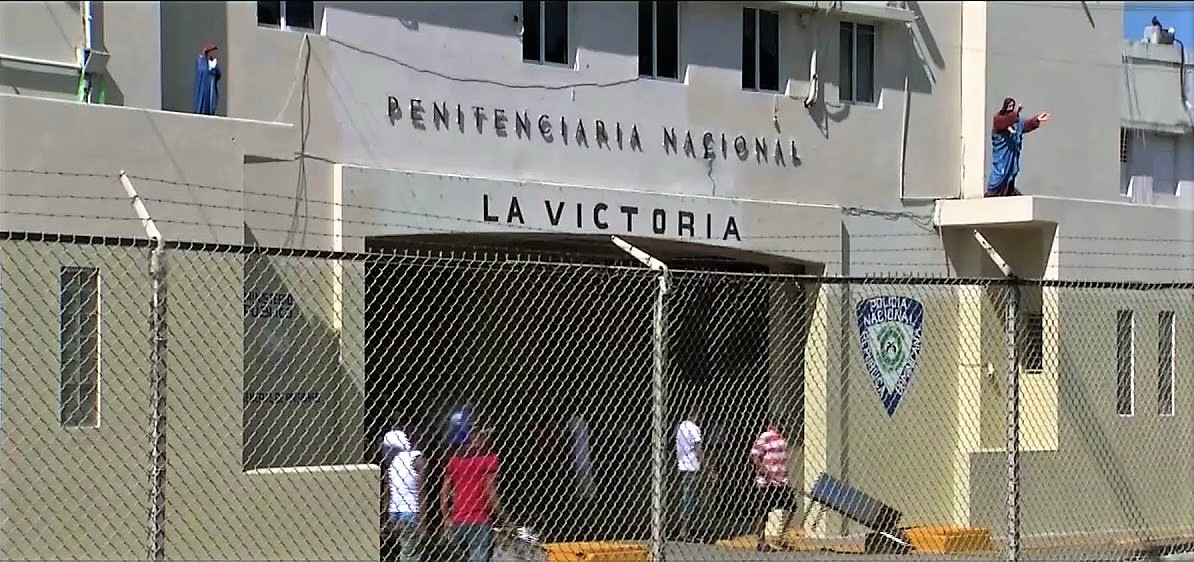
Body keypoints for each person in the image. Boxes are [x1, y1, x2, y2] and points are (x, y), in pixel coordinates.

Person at [441, 428, 501, 562]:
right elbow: (490, 490)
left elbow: (444, 492)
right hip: (480, 520)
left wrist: (446, 518)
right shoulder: (489, 459)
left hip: (458, 520)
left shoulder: (453, 461)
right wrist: (503, 516)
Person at [987, 97, 1051, 197]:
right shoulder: (999, 118)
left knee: (1013, 170)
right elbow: (1003, 123)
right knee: (1001, 171)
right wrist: (1015, 113)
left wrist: (1037, 119)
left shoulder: (1016, 119)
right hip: (1002, 153)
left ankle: (1009, 189)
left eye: (1012, 106)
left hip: (1012, 152)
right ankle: (994, 190)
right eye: (1009, 106)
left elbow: (1025, 124)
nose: (1011, 108)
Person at [749, 417, 796, 552]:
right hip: (767, 481)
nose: (784, 426)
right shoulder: (766, 436)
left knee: (792, 506)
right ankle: (761, 540)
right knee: (763, 511)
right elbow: (755, 455)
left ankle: (781, 536)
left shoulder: (782, 438)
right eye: (781, 423)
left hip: (781, 481)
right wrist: (763, 471)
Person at [382, 430, 426, 562]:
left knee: (405, 549)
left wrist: (384, 518)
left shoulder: (391, 463)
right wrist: (423, 523)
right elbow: (421, 491)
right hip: (411, 511)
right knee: (410, 553)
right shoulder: (417, 458)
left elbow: (387, 492)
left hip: (394, 512)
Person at [674, 408, 703, 540]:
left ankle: (685, 529)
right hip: (692, 465)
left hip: (682, 464)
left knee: (686, 495)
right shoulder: (694, 428)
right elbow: (698, 447)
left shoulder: (680, 426)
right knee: (691, 498)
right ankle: (686, 530)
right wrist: (703, 463)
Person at [192, 43, 221, 115]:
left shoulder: (214, 62)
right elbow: (202, 71)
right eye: (212, 52)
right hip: (204, 86)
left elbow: (218, 74)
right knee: (203, 100)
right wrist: (210, 70)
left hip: (211, 85)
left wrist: (214, 68)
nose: (214, 54)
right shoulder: (201, 60)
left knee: (211, 100)